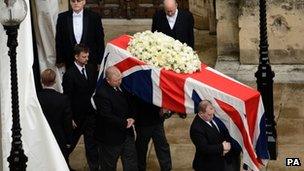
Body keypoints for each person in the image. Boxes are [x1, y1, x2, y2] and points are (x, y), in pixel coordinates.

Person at [62, 44, 99, 170]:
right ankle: (63, 165)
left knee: (92, 144)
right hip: (77, 118)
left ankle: (94, 167)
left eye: (87, 56)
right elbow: (67, 98)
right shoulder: (69, 74)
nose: (87, 59)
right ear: (76, 57)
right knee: (70, 144)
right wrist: (70, 117)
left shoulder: (90, 68)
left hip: (90, 115)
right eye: (84, 57)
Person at [94, 66, 138, 171]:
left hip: (127, 134)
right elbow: (106, 116)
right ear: (108, 80)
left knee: (131, 163)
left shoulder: (122, 85)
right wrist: (125, 122)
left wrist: (132, 117)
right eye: (116, 81)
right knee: (109, 165)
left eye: (120, 79)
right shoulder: (102, 93)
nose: (119, 82)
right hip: (111, 138)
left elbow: (131, 102)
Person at [37, 69, 73, 165]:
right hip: (59, 136)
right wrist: (69, 140)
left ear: (41, 80)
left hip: (42, 135)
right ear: (55, 81)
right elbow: (67, 122)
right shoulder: (62, 99)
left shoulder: (36, 98)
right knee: (61, 162)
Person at [56, 0, 105, 70]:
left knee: (90, 79)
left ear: (84, 2)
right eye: (73, 1)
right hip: (69, 59)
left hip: (90, 59)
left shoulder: (94, 17)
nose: (76, 3)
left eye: (78, 1)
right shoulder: (62, 17)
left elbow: (99, 39)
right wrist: (60, 60)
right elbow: (59, 39)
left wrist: (100, 60)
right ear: (70, 2)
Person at [190, 100, 234, 171]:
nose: (212, 116)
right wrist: (222, 147)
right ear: (201, 113)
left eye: (213, 113)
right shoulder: (196, 128)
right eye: (209, 115)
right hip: (206, 165)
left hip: (219, 161)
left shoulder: (209, 117)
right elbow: (204, 148)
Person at [134, 96, 172, 171]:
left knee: (162, 146)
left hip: (157, 121)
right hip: (143, 123)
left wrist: (167, 111)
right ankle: (140, 168)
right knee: (141, 148)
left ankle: (166, 168)